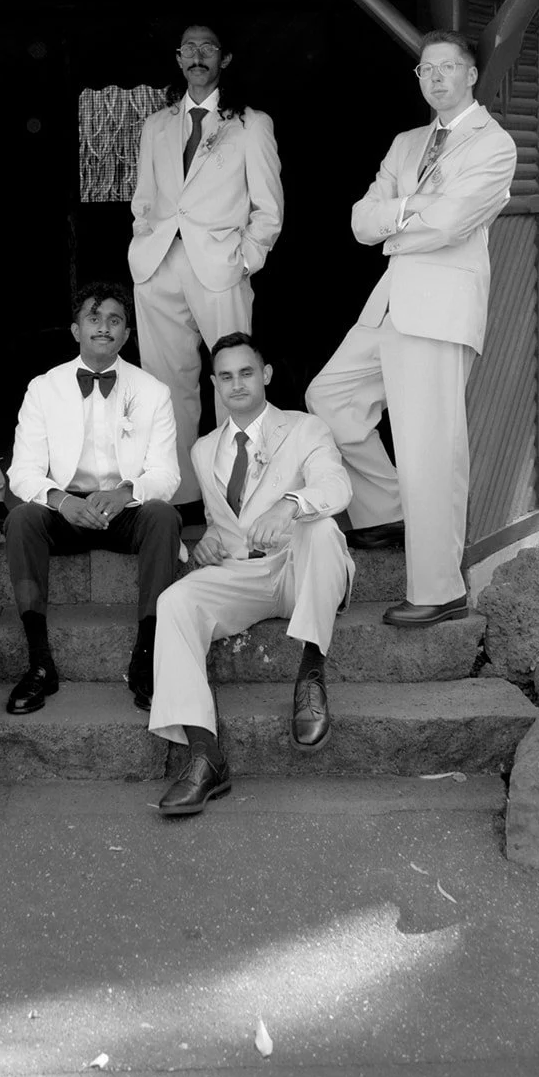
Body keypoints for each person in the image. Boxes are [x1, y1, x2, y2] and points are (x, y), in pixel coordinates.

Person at [306, 31, 517, 627]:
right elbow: (359, 222)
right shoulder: (407, 142)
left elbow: (450, 225)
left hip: (441, 307)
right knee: (329, 396)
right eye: (426, 69)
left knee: (430, 448)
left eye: (448, 67)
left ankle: (438, 589)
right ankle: (386, 509)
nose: (436, 78)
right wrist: (407, 212)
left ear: (471, 75)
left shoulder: (493, 144)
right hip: (391, 301)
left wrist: (395, 216)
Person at [149, 333, 353, 816]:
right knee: (173, 602)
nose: (236, 383)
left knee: (321, 529)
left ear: (265, 375)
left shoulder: (306, 429)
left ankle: (311, 673)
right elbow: (226, 523)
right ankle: (205, 755)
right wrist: (207, 544)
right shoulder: (203, 450)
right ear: (215, 383)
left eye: (246, 372)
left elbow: (336, 484)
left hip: (302, 566)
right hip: (245, 574)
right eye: (225, 376)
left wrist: (291, 505)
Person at [5, 282, 181, 716]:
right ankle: (39, 662)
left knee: (163, 515)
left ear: (125, 335)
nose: (104, 327)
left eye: (115, 321)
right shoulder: (43, 389)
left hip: (126, 510)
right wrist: (62, 501)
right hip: (67, 511)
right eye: (94, 318)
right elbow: (22, 471)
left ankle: (147, 658)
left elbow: (166, 473)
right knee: (23, 519)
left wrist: (126, 493)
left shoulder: (152, 391)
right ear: (75, 329)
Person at [129, 24, 283, 508]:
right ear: (178, 59)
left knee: (232, 381)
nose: (198, 56)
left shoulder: (250, 124)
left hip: (220, 266)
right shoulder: (156, 126)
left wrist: (245, 260)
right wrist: (145, 242)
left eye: (208, 48)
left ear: (225, 59)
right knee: (165, 384)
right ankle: (178, 497)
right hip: (159, 265)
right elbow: (145, 201)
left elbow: (269, 209)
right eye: (189, 49)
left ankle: (232, 497)